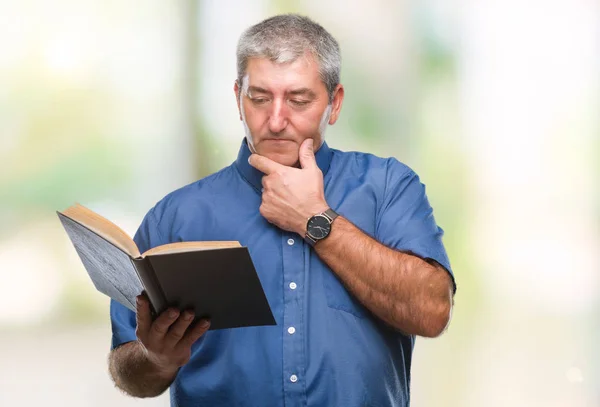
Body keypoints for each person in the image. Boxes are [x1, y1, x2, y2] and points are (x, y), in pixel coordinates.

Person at [108, 14, 456, 407]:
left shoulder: (388, 187)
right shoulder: (175, 216)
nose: (275, 121)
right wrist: (156, 359)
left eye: (299, 100)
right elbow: (127, 371)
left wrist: (316, 220)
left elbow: (433, 311)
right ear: (238, 98)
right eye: (259, 98)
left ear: (335, 103)